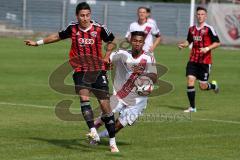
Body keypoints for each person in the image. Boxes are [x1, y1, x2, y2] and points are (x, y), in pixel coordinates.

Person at [24, 2, 119, 152]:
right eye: (82, 15)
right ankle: (93, 131)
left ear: (90, 15)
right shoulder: (72, 28)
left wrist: (107, 56)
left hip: (98, 70)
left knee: (105, 106)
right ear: (77, 16)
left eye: (87, 15)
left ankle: (113, 142)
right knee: (84, 98)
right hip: (80, 69)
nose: (85, 18)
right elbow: (57, 36)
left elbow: (112, 41)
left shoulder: (99, 28)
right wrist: (37, 43)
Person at [94, 31, 157, 139]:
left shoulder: (148, 58)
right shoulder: (122, 54)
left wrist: (144, 76)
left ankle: (98, 137)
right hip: (122, 92)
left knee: (119, 125)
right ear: (131, 41)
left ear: (143, 43)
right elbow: (106, 60)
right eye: (135, 41)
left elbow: (154, 77)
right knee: (106, 114)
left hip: (139, 99)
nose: (137, 43)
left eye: (140, 41)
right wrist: (107, 63)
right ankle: (92, 131)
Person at [178, 6, 221, 113]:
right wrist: (183, 45)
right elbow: (189, 41)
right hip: (193, 60)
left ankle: (213, 86)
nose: (200, 16)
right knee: (190, 80)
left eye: (202, 14)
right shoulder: (191, 29)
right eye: (198, 14)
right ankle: (192, 107)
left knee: (203, 86)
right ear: (196, 16)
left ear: (205, 16)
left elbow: (217, 43)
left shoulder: (209, 29)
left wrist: (207, 48)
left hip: (205, 62)